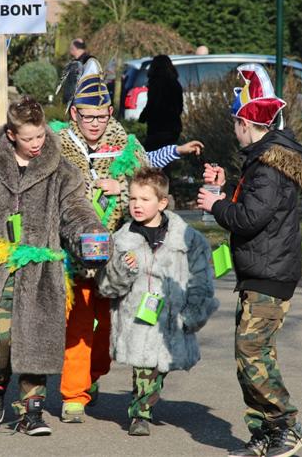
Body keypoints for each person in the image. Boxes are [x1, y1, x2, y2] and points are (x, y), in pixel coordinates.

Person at [0, 95, 105, 436]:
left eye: (40, 136)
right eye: (28, 138)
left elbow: (75, 209)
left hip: (42, 270)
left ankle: (32, 412)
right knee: (1, 339)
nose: (36, 144)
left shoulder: (62, 171)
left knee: (36, 339)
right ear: (11, 135)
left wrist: (90, 231)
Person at [196, 64, 302, 457]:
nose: (234, 130)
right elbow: (254, 204)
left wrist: (215, 205)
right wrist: (225, 187)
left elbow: (249, 218)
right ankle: (265, 431)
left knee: (252, 352)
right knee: (250, 356)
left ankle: (287, 424)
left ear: (246, 123)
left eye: (235, 123)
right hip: (260, 271)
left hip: (270, 274)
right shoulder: (264, 161)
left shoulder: (268, 166)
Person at [56, 72, 149, 423]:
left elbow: (151, 193)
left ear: (110, 112)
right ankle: (73, 396)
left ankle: (92, 375)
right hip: (73, 253)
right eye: (87, 116)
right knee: (78, 325)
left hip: (115, 257)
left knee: (107, 330)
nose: (94, 123)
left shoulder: (128, 147)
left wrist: (121, 189)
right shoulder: (57, 146)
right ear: (73, 113)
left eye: (101, 116)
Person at [97, 167, 218, 436]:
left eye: (144, 199)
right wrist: (123, 269)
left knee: (159, 367)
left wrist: (194, 312)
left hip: (173, 315)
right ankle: (139, 413)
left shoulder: (188, 239)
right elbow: (106, 286)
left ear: (162, 202)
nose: (137, 205)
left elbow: (202, 278)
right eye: (132, 199)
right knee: (144, 365)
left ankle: (147, 398)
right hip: (136, 317)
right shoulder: (120, 240)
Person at [139, 55, 184, 153]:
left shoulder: (155, 84)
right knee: (168, 154)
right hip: (173, 127)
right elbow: (180, 107)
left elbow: (152, 105)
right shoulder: (175, 83)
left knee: (152, 155)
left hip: (157, 127)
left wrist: (143, 117)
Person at [58, 38, 102, 105]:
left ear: (74, 48)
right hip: (73, 101)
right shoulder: (75, 62)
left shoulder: (89, 62)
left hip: (82, 101)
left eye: (71, 47)